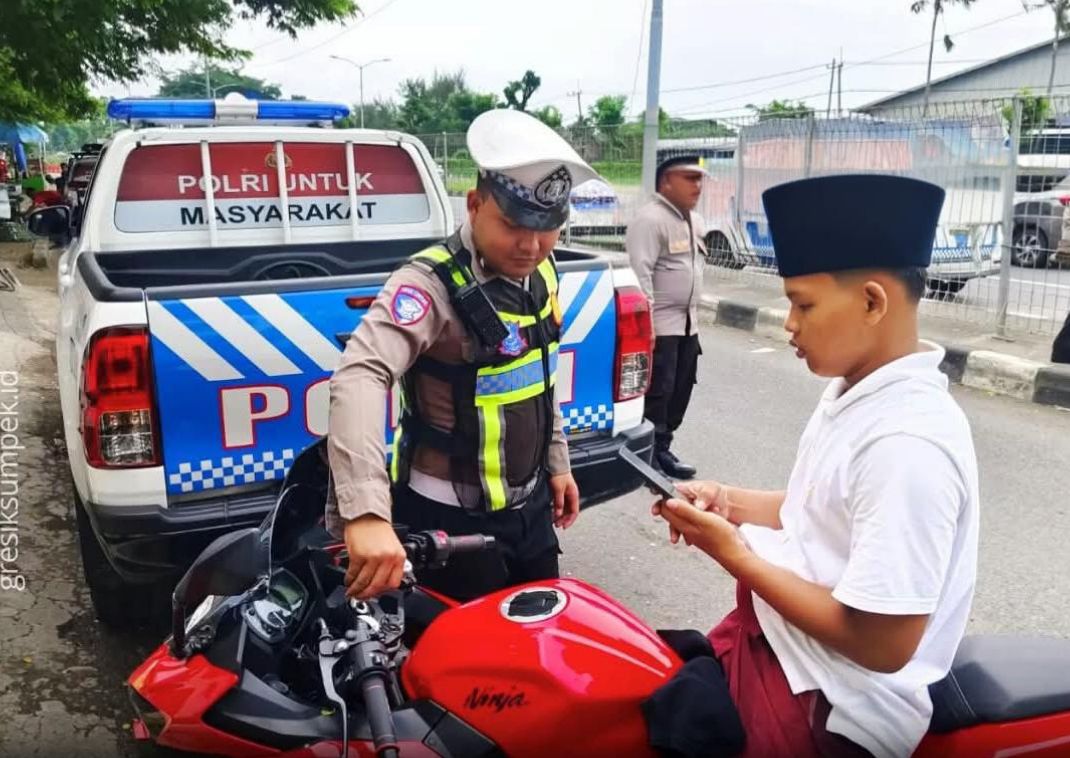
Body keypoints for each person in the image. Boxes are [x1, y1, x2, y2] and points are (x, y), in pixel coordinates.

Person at [651, 174, 980, 757]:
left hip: (831, 704)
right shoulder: (860, 390)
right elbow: (820, 509)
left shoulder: (906, 442)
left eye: (803, 304)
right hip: (784, 651)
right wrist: (728, 502)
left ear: (872, 302)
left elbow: (880, 644)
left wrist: (733, 553)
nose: (789, 323)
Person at [327, 109, 597, 602]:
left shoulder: (543, 270)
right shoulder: (427, 285)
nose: (531, 245)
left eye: (548, 227)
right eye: (513, 224)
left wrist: (558, 463)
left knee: (540, 634)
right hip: (449, 527)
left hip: (530, 510)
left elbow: (540, 376)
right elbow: (360, 374)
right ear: (474, 205)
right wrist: (366, 513)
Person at [626, 155, 708, 479]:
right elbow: (640, 273)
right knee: (659, 390)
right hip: (660, 325)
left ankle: (663, 446)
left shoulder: (695, 221)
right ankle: (650, 453)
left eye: (699, 179)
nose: (697, 186)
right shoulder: (650, 220)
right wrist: (645, 326)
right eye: (689, 178)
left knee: (681, 389)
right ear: (666, 182)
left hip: (688, 324)